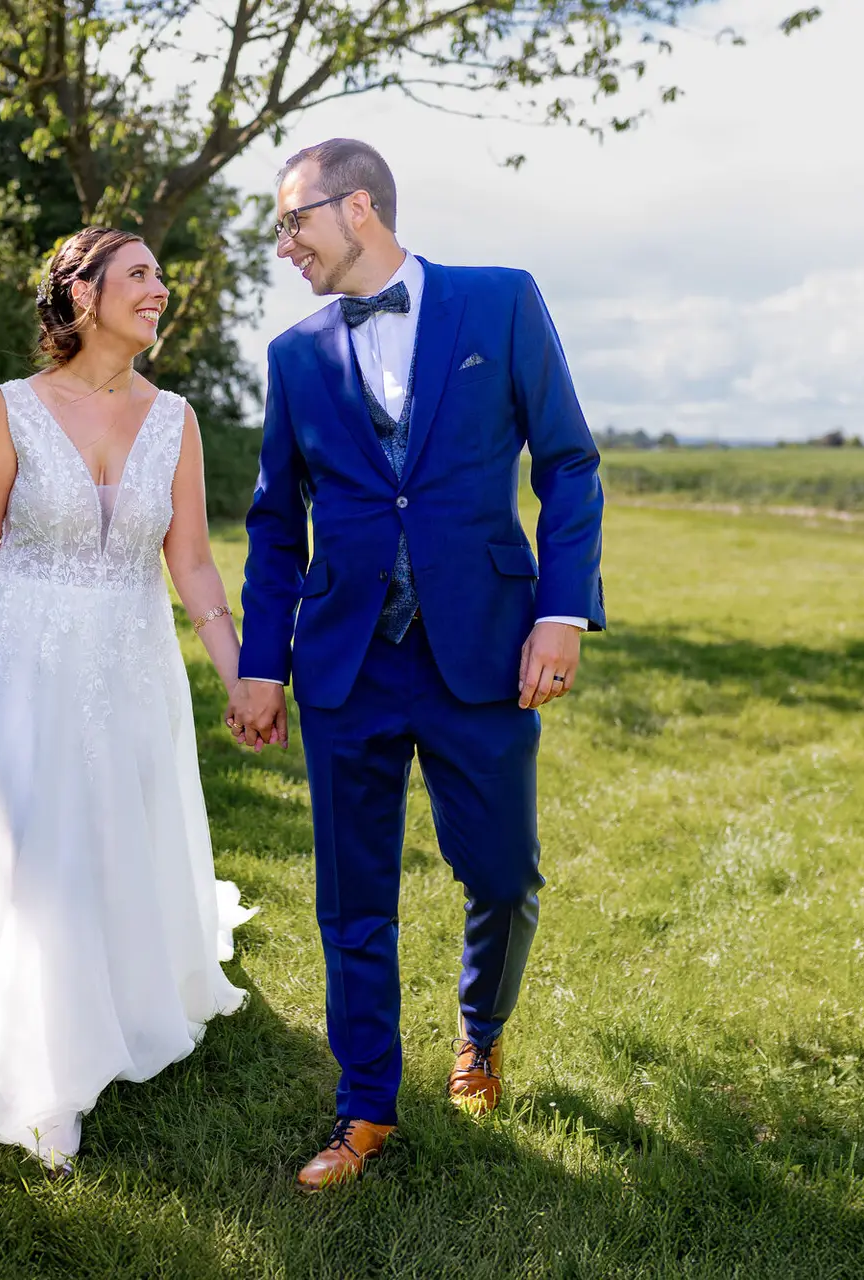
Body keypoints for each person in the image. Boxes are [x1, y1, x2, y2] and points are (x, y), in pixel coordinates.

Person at [227, 139, 606, 1191]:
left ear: (358, 208)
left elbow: (568, 462)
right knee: (353, 897)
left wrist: (561, 613)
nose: (284, 243)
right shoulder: (295, 355)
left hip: (483, 650)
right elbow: (275, 523)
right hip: (345, 662)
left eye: (293, 220)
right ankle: (364, 1109)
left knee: (504, 875)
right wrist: (262, 663)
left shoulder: (501, 302)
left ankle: (480, 1031)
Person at [0, 226, 256, 1173]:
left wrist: (240, 678)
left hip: (129, 661)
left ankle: (111, 1000)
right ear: (82, 295)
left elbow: (192, 561)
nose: (160, 289)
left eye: (160, 276)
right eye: (139, 274)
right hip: (16, 656)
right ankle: (45, 1081)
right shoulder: (14, 408)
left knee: (104, 832)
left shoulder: (175, 419)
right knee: (42, 845)